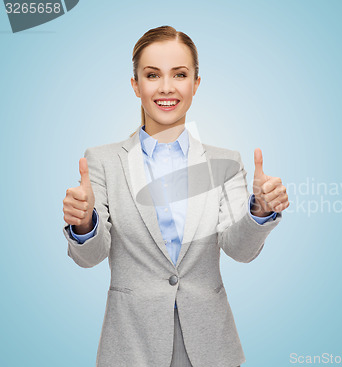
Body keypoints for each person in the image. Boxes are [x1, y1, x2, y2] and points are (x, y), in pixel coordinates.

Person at [62, 25, 289, 367]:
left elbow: (240, 250)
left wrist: (260, 210)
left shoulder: (225, 163)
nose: (166, 87)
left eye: (179, 74)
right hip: (131, 345)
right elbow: (90, 257)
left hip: (211, 345)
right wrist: (84, 224)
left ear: (196, 83)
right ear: (135, 84)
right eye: (152, 75)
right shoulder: (103, 161)